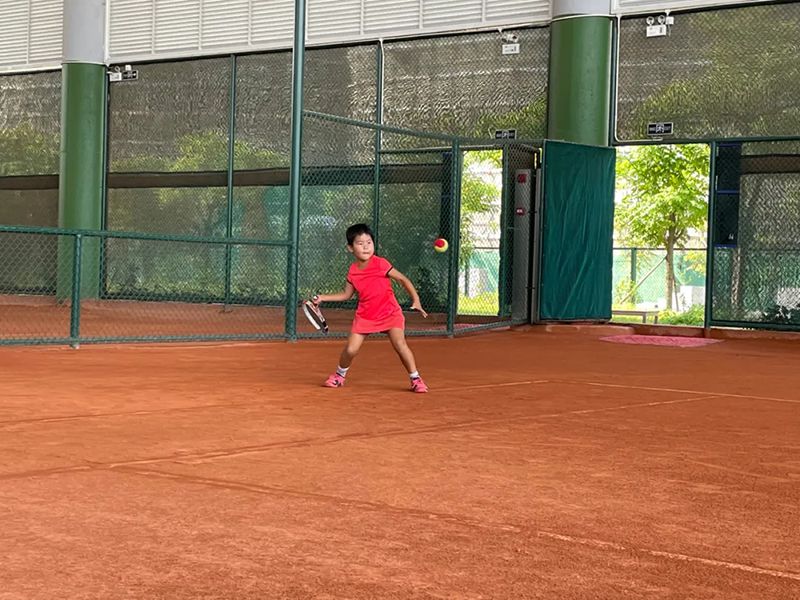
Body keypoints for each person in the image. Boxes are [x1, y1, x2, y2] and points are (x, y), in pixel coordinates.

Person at [313, 223, 429, 393]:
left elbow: (403, 279)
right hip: (366, 316)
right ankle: (339, 376)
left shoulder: (381, 264)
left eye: (369, 242)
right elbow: (346, 295)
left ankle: (416, 379)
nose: (366, 247)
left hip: (390, 313)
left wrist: (416, 300)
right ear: (350, 248)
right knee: (351, 349)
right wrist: (323, 297)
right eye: (360, 243)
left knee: (400, 344)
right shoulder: (353, 271)